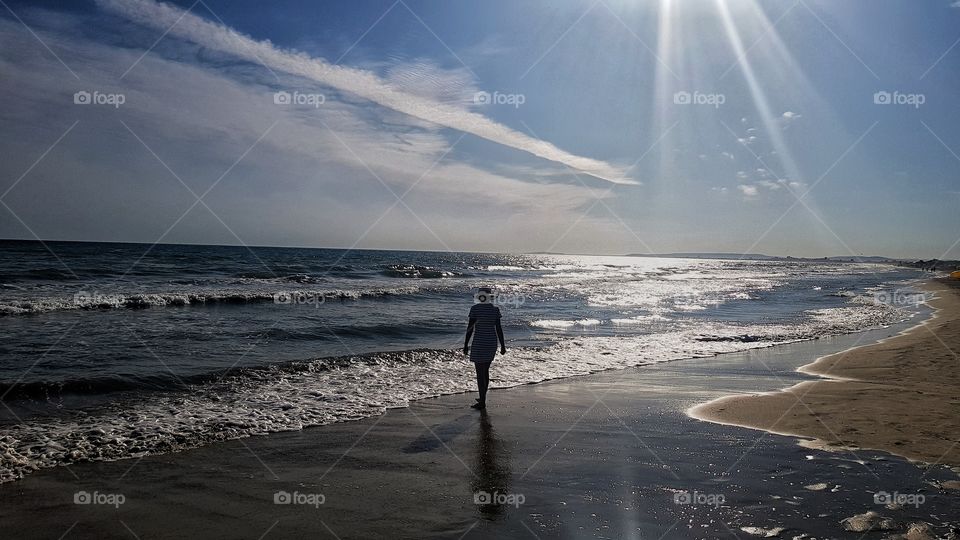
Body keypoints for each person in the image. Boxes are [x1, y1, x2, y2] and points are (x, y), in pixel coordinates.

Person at [463, 287, 506, 409]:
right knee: (485, 371)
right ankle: (483, 397)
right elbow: (499, 329)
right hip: (491, 342)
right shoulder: (495, 310)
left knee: (479, 373)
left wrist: (465, 344)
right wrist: (503, 345)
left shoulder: (475, 309)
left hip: (479, 343)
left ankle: (482, 401)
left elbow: (470, 328)